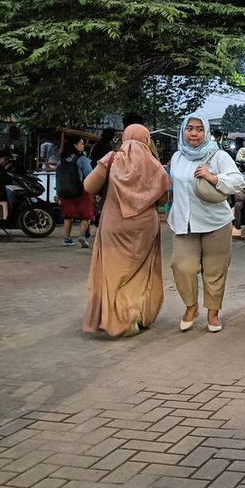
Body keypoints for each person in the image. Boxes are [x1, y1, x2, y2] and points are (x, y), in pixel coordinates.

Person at [82, 124, 171, 338]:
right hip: (144, 227)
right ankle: (134, 313)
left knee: (114, 271)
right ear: (147, 140)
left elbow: (88, 186)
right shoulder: (155, 165)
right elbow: (163, 199)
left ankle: (117, 315)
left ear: (124, 138)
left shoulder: (111, 159)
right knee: (140, 271)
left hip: (114, 225)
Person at [168, 116, 245, 333]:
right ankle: (190, 307)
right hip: (184, 223)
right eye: (190, 129)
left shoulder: (217, 155)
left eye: (199, 129)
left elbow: (239, 181)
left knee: (215, 270)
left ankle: (213, 312)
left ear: (206, 132)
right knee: (182, 266)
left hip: (216, 223)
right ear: (183, 131)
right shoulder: (177, 157)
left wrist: (213, 178)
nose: (194, 133)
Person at [58, 138, 94, 248]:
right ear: (75, 145)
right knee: (85, 215)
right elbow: (90, 175)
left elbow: (58, 177)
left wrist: (58, 193)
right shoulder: (82, 159)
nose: (83, 145)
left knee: (68, 216)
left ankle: (67, 239)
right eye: (81, 143)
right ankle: (82, 236)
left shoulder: (62, 160)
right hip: (81, 191)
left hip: (65, 191)